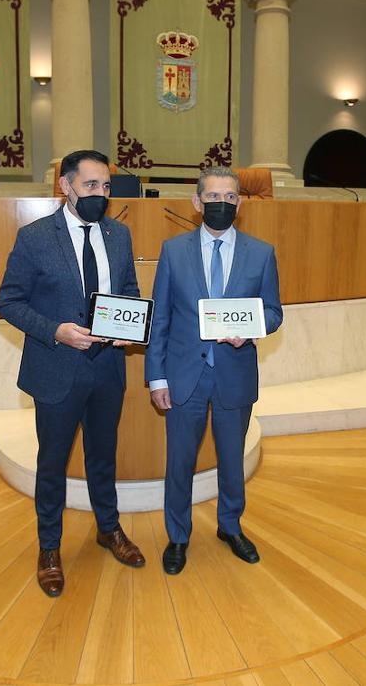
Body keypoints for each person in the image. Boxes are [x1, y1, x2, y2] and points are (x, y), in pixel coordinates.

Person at [0, 149, 146, 597]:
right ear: (66, 187)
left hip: (107, 371)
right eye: (91, 186)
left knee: (103, 456)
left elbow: (130, 292)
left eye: (106, 186)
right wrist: (55, 332)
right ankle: (49, 547)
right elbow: (8, 302)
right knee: (52, 464)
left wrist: (129, 329)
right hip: (56, 371)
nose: (101, 194)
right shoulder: (35, 237)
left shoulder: (119, 235)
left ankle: (108, 528)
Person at [145, 166, 283, 575]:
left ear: (239, 203)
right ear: (196, 202)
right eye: (213, 198)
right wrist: (157, 377)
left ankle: (229, 526)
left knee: (231, 460)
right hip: (185, 376)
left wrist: (250, 330)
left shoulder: (262, 253)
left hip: (234, 375)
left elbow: (274, 312)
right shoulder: (173, 251)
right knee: (179, 462)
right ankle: (178, 535)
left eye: (229, 198)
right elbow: (162, 319)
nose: (221, 204)